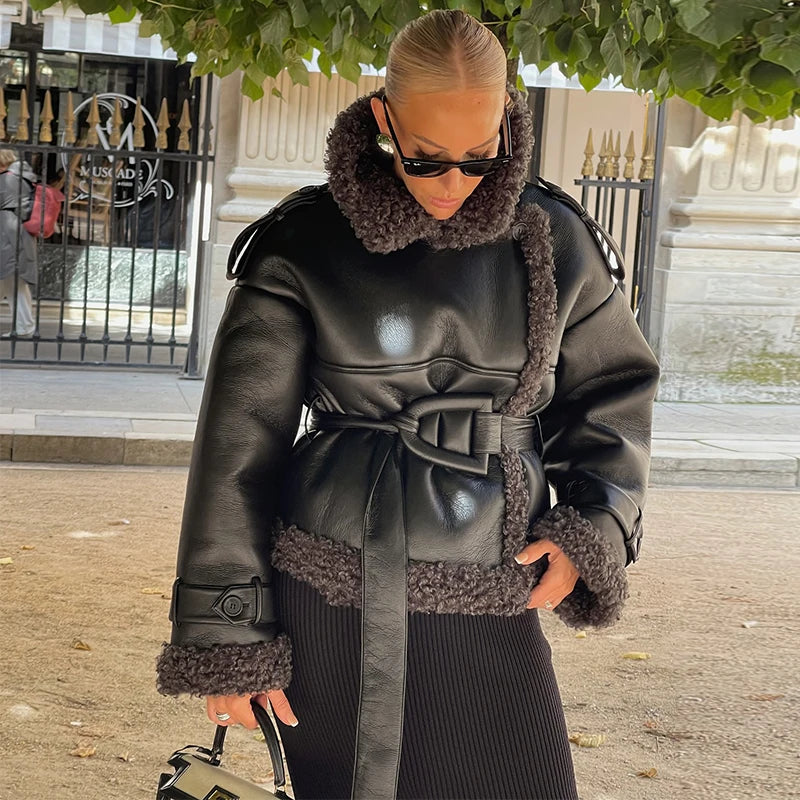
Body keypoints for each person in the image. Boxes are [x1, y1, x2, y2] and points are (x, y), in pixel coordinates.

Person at [155, 9, 661, 800]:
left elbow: (612, 394)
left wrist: (593, 527)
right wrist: (227, 634)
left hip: (495, 572)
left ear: (507, 121)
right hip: (332, 581)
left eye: (479, 156)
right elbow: (238, 447)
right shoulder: (302, 242)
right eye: (426, 158)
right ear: (384, 120)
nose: (455, 183)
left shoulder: (556, 235)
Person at [0, 149, 37, 337]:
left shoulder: (8, 179)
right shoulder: (22, 176)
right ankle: (25, 325)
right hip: (15, 235)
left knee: (14, 283)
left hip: (8, 236)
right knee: (13, 283)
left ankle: (25, 326)